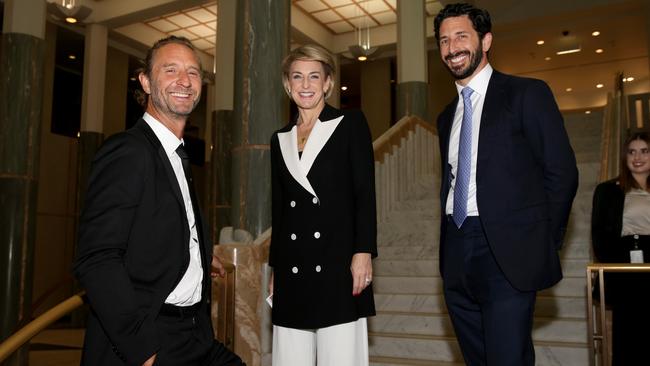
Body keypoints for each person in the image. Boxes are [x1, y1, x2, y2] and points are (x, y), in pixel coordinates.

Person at [73, 36, 244, 366]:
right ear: (146, 82)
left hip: (194, 333)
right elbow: (96, 258)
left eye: (193, 73)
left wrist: (197, 254)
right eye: (171, 70)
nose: (185, 81)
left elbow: (160, 221)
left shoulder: (177, 156)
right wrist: (142, 349)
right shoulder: (128, 151)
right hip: (151, 336)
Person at [433, 3, 579, 365]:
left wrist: (543, 242)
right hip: (455, 249)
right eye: (444, 40)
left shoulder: (526, 94)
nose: (452, 48)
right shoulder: (445, 117)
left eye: (461, 36)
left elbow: (562, 174)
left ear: (486, 40)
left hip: (508, 252)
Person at [268, 44, 377, 366]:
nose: (305, 85)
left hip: (338, 260)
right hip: (293, 265)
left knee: (341, 357)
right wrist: (276, 267)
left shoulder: (349, 124)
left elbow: (364, 193)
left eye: (314, 76)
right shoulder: (279, 138)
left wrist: (363, 252)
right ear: (287, 84)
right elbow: (280, 210)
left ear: (328, 83)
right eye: (297, 77)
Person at [591, 132, 650, 365]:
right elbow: (599, 234)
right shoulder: (607, 190)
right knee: (627, 336)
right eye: (631, 151)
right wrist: (614, 262)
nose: (637, 157)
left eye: (644, 151)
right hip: (625, 266)